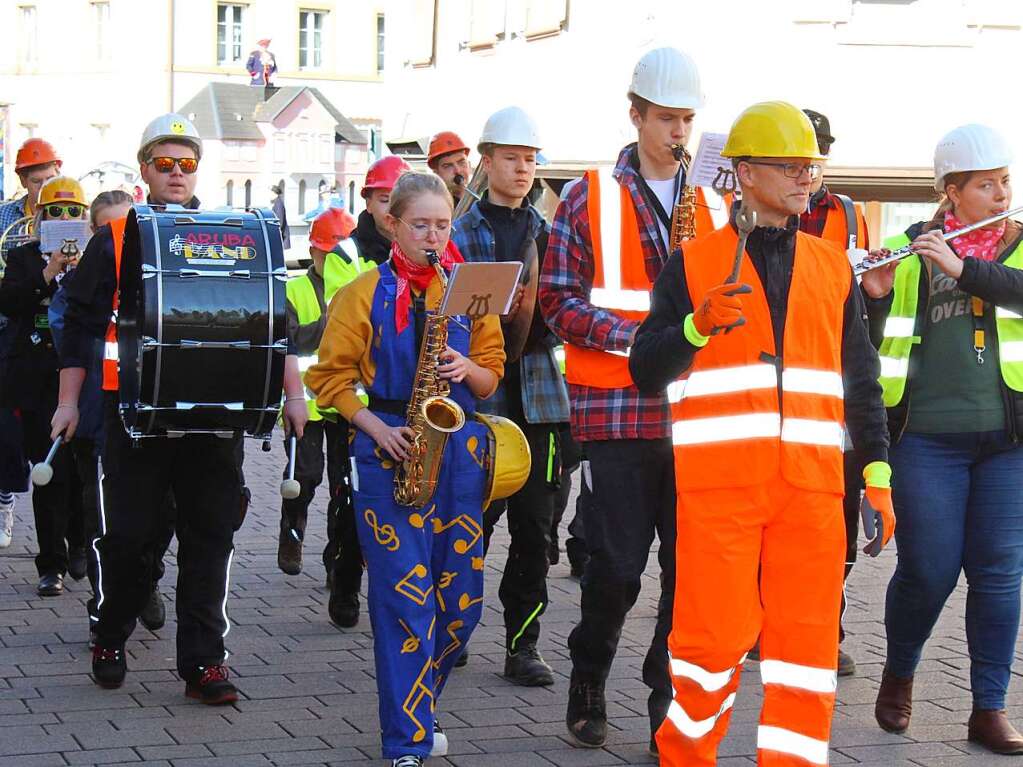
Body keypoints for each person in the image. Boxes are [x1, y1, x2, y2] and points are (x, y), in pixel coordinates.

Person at [629, 100, 892, 766]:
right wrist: (694, 327)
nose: (806, 177)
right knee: (709, 648)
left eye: (812, 165)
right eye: (790, 165)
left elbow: (861, 383)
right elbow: (643, 367)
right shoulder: (693, 265)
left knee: (805, 658)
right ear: (744, 173)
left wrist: (878, 476)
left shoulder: (834, 268)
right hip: (720, 494)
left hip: (809, 494)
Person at [50, 112, 307, 704]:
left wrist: (294, 394)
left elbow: (274, 319)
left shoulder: (232, 232)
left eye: (186, 164)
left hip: (214, 413)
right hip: (133, 413)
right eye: (164, 164)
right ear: (144, 170)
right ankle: (111, 634)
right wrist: (68, 403)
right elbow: (81, 324)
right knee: (130, 538)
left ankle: (203, 663)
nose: (176, 173)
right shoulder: (117, 237)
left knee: (210, 535)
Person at [538, 46, 712, 752]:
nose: (678, 133)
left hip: (701, 414)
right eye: (665, 118)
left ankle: (663, 695)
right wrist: (641, 336)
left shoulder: (715, 200)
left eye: (686, 120)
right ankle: (589, 672)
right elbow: (556, 301)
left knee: (690, 569)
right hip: (617, 408)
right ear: (634, 113)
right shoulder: (587, 195)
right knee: (615, 565)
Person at [306, 171, 505, 766]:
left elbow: (492, 377)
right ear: (392, 224)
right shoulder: (363, 292)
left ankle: (421, 705)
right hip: (386, 448)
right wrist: (375, 427)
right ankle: (406, 741)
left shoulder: (470, 290)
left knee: (461, 604)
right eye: (420, 225)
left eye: (442, 226)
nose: (432, 236)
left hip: (459, 455)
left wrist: (465, 367)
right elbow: (328, 381)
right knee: (403, 601)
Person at [865, 124, 1023, 755]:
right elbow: (875, 336)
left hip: (1006, 442)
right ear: (951, 193)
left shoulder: (1016, 248)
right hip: (924, 438)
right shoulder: (913, 250)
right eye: (987, 185)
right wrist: (871, 296)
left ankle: (989, 707)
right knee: (928, 571)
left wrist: (966, 268)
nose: (1001, 193)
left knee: (1000, 573)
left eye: (1005, 182)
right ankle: (899, 671)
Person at [452, 106, 569, 687]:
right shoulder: (459, 232)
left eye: (530, 160)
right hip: (480, 398)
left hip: (541, 398)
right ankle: (453, 629)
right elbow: (447, 317)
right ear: (488, 160)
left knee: (535, 528)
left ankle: (523, 646)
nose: (523, 170)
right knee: (469, 521)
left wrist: (539, 313)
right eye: (512, 159)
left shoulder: (550, 232)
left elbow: (568, 311)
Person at [798, 108, 872, 679]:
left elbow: (863, 301)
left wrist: (874, 286)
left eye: (817, 155)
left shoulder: (846, 213)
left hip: (831, 384)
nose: (809, 169)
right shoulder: (750, 212)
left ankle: (830, 625)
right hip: (773, 379)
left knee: (837, 520)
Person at [279, 207, 368, 630]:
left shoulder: (360, 284)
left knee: (343, 486)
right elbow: (289, 344)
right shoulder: (295, 290)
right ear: (314, 250)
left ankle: (336, 563)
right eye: (325, 252)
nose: (330, 259)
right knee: (306, 477)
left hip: (346, 406)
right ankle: (290, 534)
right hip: (307, 406)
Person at [0, 176, 89, 596]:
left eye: (74, 212)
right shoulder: (21, 259)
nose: (65, 218)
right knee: (46, 471)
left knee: (81, 471)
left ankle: (79, 544)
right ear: (39, 218)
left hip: (81, 377)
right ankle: (50, 562)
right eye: (56, 211)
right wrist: (49, 270)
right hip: (37, 379)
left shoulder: (95, 260)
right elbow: (10, 301)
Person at [50, 190, 133, 644]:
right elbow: (69, 334)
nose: (115, 240)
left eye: (124, 228)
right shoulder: (80, 285)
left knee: (153, 517)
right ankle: (105, 608)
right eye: (106, 230)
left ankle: (145, 583)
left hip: (141, 411)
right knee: (102, 510)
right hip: (97, 411)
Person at [0, 137, 62, 547]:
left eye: (50, 177)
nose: (43, 186)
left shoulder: (67, 209)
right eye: (36, 179)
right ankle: (6, 494)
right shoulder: (6, 217)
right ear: (22, 179)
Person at [351, 156, 411, 267]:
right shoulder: (347, 255)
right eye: (385, 200)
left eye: (401, 201)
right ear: (368, 204)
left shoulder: (426, 246)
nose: (393, 209)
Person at [427, 131, 472, 206]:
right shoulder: (434, 207)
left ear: (469, 165)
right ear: (436, 174)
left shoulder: (483, 201)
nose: (458, 170)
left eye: (461, 162)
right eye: (448, 166)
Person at [271, 182, 291, 249]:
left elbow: (280, 221)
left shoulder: (279, 204)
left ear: (274, 193)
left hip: (281, 235)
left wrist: (274, 231)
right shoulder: (277, 202)